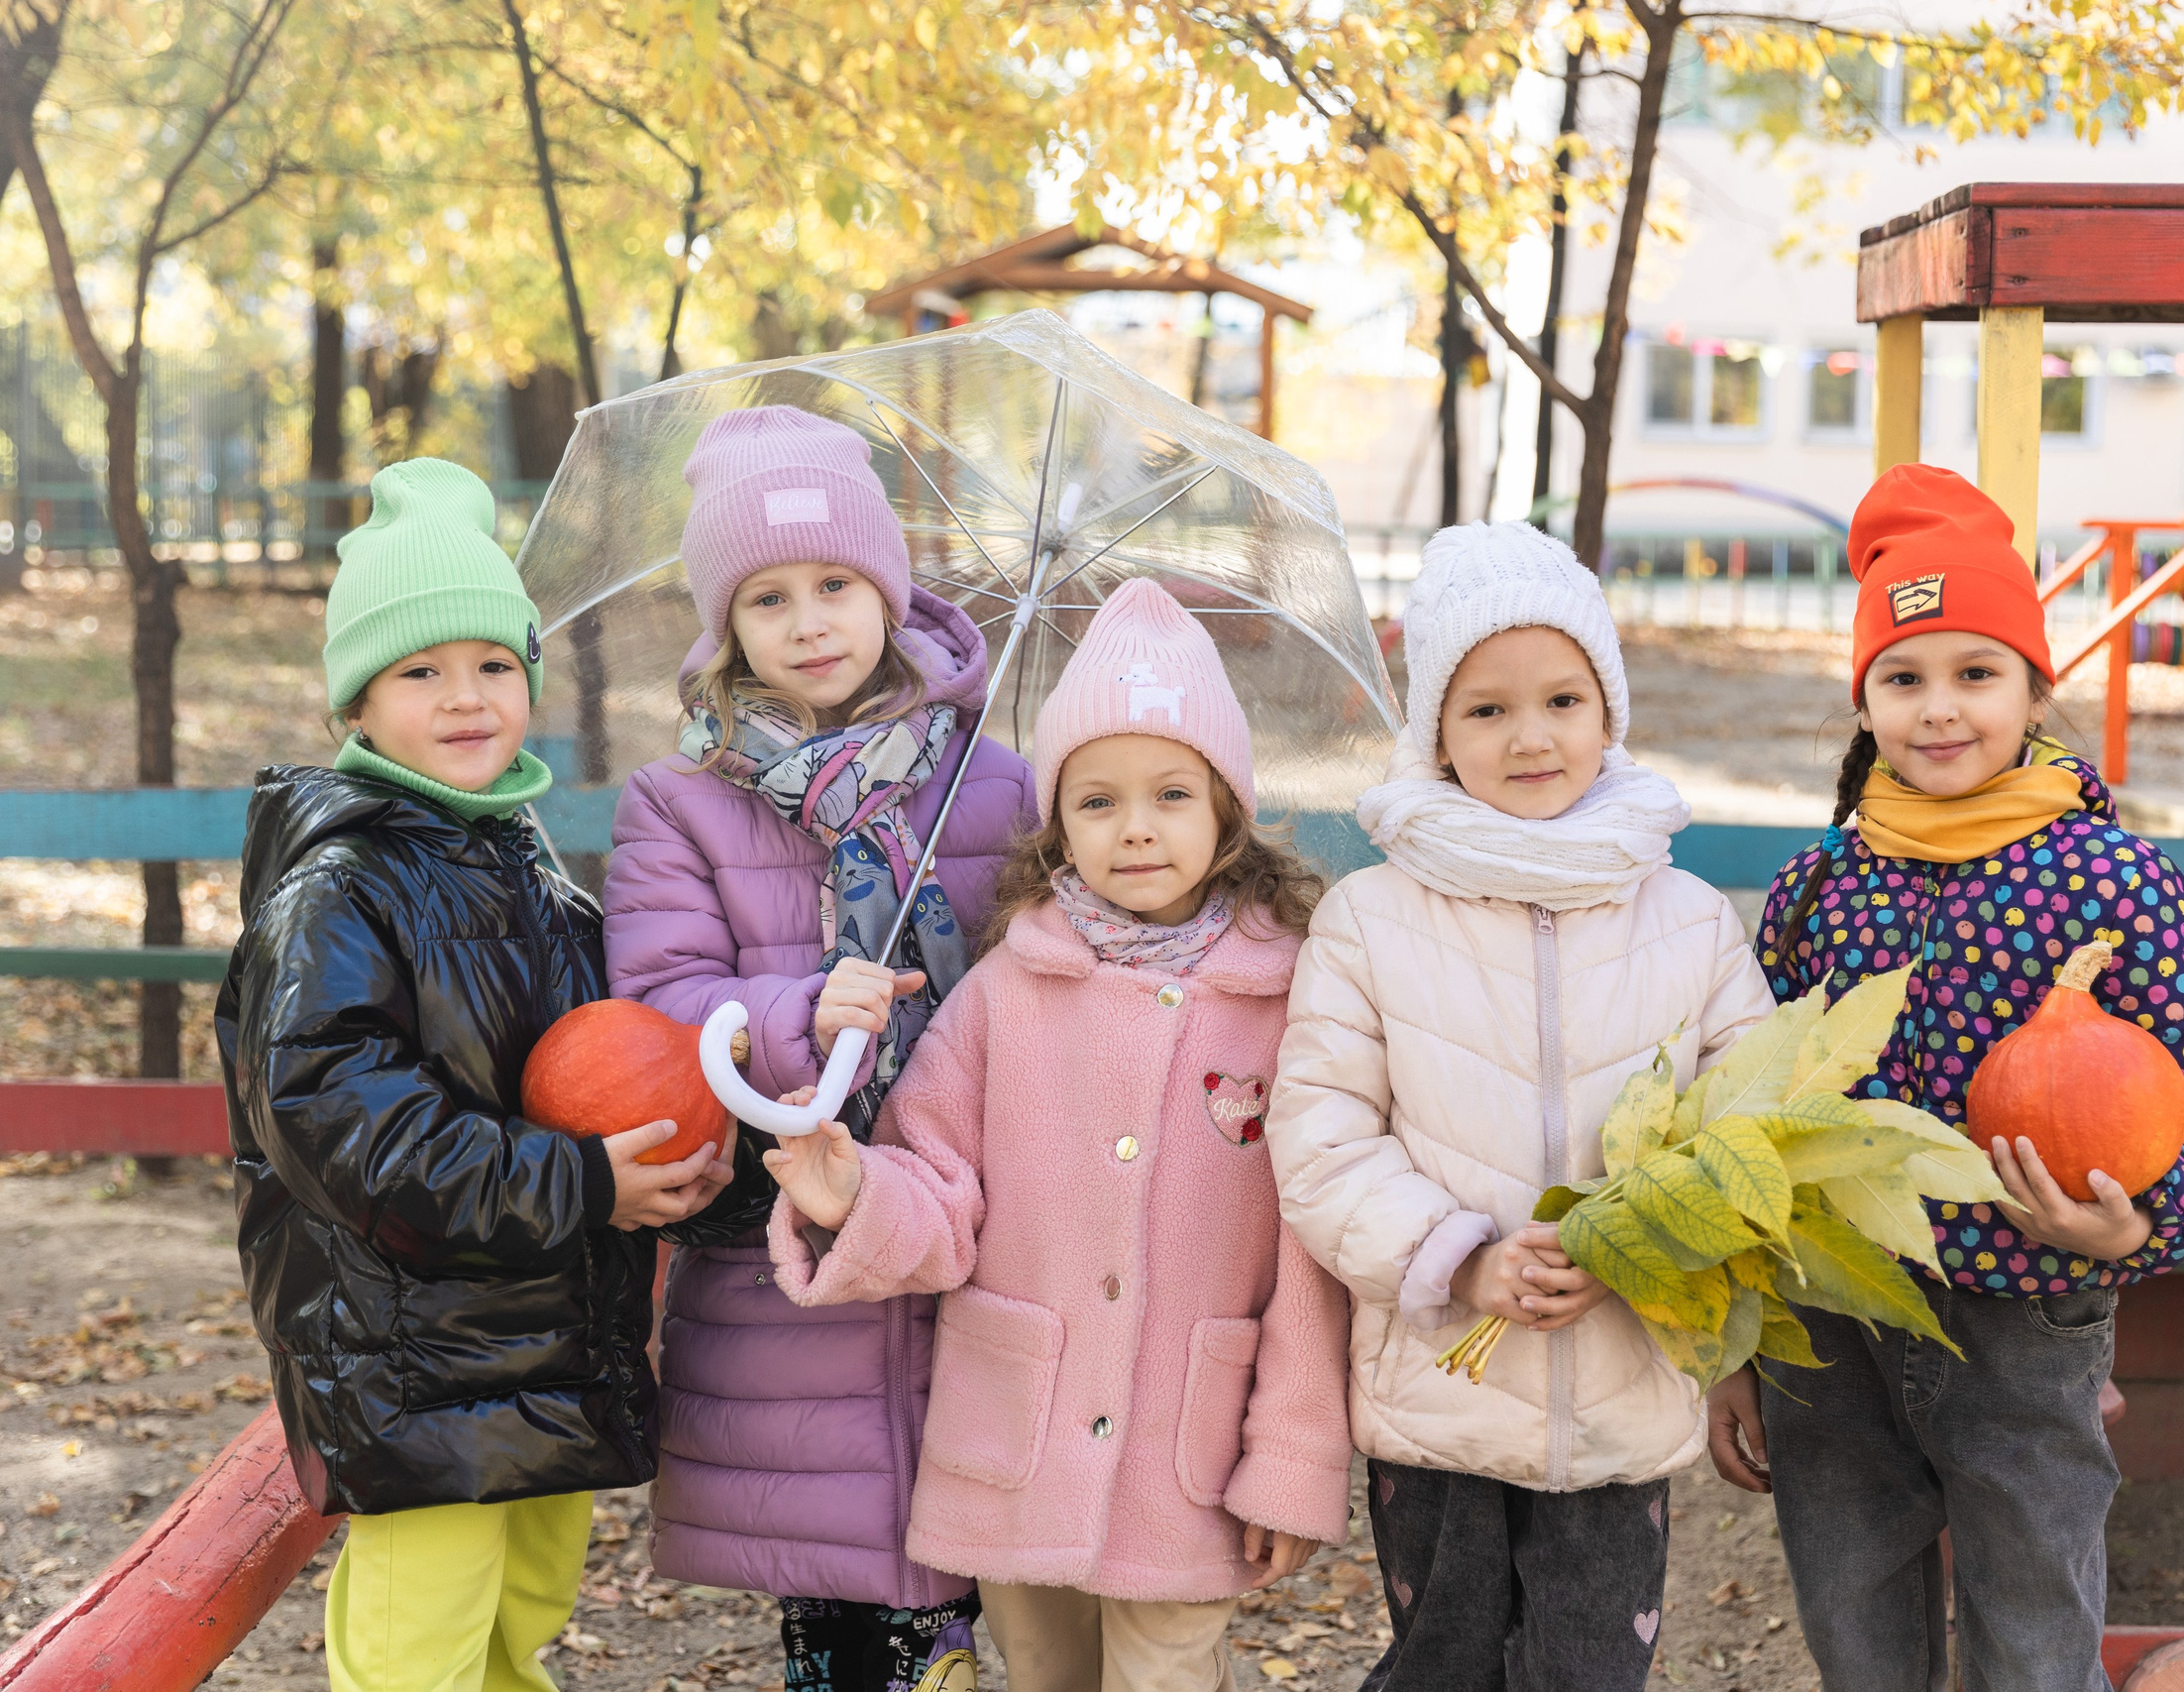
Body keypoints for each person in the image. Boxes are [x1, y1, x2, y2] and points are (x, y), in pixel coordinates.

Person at [1708, 464, 2184, 1692]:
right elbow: (1745, 1113)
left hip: (2024, 1303)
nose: (1938, 709)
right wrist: (1739, 1343)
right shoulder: (1816, 889)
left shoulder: (2114, 882)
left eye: (1975, 673)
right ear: (1863, 701)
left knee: (2032, 1618)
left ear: (2031, 688)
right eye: (1902, 678)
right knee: (1855, 1619)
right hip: (1831, 1312)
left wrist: (2135, 1226)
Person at [760, 580, 1353, 1692]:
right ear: (1056, 821)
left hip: (1193, 1447)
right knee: (1040, 1676)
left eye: (1173, 793)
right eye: (1097, 801)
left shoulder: (1289, 1000)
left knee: (1167, 1675)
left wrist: (1291, 1462)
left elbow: (1311, 1261)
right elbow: (942, 1189)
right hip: (1016, 1437)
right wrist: (851, 1193)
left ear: (1227, 806)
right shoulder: (1006, 991)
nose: (1135, 827)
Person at [216, 459, 731, 1692]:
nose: (465, 696)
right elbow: (336, 1114)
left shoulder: (532, 872)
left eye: (494, 665)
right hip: (412, 1344)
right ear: (358, 703)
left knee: (524, 1607)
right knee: (420, 1644)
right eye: (420, 670)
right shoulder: (338, 888)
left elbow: (603, 1063)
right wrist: (574, 1183)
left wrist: (681, 1134)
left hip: (545, 1326)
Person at [1266, 521, 1775, 1692]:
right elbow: (1322, 1139)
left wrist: (1641, 1248)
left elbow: (1744, 1128)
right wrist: (1461, 1260)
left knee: (1590, 1672)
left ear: (1609, 714)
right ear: (1435, 735)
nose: (1530, 736)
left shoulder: (1688, 919)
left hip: (1620, 1383)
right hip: (1440, 1384)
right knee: (1441, 1663)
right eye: (1485, 709)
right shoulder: (1371, 921)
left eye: (1561, 699)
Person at [604, 404, 1034, 1689]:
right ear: (723, 626)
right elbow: (662, 995)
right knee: (833, 1602)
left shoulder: (989, 784)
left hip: (961, 1219)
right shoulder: (677, 801)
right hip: (786, 1239)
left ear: (889, 592)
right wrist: (798, 1010)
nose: (809, 619)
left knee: (955, 1599)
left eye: (837, 582)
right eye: (768, 596)